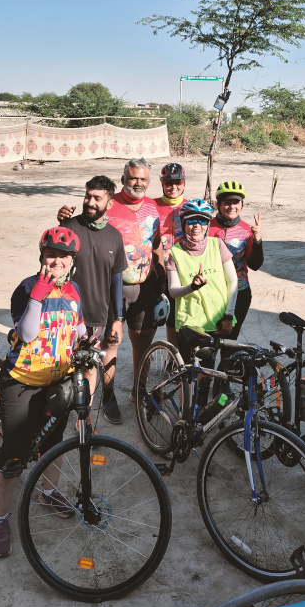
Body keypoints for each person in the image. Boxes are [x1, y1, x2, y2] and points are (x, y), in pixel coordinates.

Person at [0, 227, 86, 558]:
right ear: (41, 256)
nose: (57, 260)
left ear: (72, 261)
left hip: (57, 381)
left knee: (52, 444)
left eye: (64, 256)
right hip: (21, 379)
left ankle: (49, 491)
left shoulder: (74, 291)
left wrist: (89, 341)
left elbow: (80, 330)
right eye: (51, 254)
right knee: (15, 451)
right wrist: (38, 296)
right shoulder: (27, 288)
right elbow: (28, 334)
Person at [56, 175, 127, 417]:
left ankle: (97, 407)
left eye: (97, 198)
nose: (90, 202)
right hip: (68, 314)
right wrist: (58, 226)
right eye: (88, 196)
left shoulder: (115, 237)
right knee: (68, 366)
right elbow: (51, 265)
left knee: (96, 363)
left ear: (109, 203)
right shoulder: (68, 227)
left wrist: (118, 318)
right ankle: (72, 413)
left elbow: (116, 280)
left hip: (99, 314)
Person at [102, 157, 166, 423]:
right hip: (114, 286)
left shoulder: (152, 206)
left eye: (143, 179)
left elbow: (157, 244)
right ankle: (108, 397)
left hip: (144, 287)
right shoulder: (109, 204)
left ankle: (138, 392)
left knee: (142, 342)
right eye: (133, 178)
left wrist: (161, 280)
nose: (138, 183)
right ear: (123, 178)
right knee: (111, 344)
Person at [166, 199, 238, 363]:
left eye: (202, 221)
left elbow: (232, 281)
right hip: (189, 321)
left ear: (207, 224)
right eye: (191, 220)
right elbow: (173, 291)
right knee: (188, 371)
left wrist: (228, 315)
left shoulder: (217, 244)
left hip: (218, 319)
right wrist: (192, 287)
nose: (197, 225)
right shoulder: (175, 253)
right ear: (184, 224)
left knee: (208, 370)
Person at [209, 180, 264, 339]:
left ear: (242, 204)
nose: (232, 207)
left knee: (230, 344)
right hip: (212, 294)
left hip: (239, 293)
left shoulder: (247, 230)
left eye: (236, 202)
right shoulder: (206, 227)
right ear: (218, 204)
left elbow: (255, 265)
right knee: (209, 346)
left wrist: (257, 239)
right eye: (227, 202)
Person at [154, 162, 187, 346]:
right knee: (153, 318)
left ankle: (174, 359)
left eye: (177, 182)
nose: (173, 187)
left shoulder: (191, 207)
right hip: (156, 270)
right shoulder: (151, 206)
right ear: (161, 183)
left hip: (181, 271)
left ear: (184, 183)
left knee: (177, 316)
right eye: (168, 183)